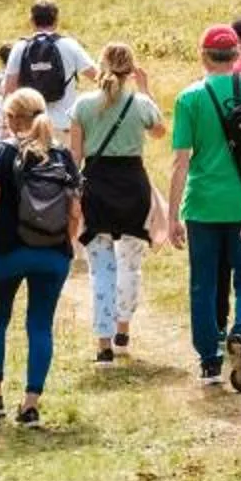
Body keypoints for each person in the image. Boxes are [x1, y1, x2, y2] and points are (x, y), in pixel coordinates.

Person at [0, 88, 84, 426]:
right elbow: (75, 211)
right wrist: (65, 245)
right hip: (53, 253)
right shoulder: (63, 156)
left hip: (7, 250)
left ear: (12, 119)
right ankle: (30, 405)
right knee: (40, 325)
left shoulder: (2, 152)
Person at [166, 24, 241, 391]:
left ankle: (208, 361)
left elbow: (181, 161)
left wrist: (172, 217)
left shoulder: (190, 98)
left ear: (203, 55)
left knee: (203, 283)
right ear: (236, 55)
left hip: (202, 205)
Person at [70, 43, 165, 363]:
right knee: (131, 264)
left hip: (96, 186)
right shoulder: (139, 104)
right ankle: (123, 327)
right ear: (131, 70)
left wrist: (72, 196)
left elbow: (74, 157)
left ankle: (103, 342)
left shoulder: (83, 105)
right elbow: (160, 132)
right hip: (133, 185)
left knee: (102, 269)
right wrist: (146, 89)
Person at [0, 0, 95, 133]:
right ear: (56, 20)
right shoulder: (69, 45)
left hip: (31, 128)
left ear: (31, 20)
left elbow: (9, 89)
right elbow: (98, 77)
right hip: (64, 125)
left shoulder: (20, 47)